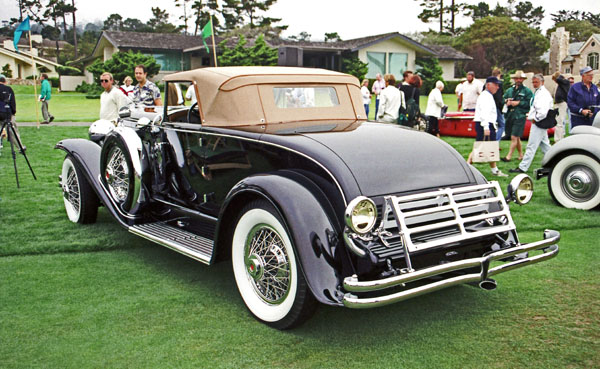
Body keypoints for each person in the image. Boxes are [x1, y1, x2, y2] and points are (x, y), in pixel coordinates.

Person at [510, 74, 553, 174]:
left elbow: (543, 111)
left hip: (539, 122)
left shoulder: (543, 94)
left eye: (536, 82)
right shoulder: (539, 92)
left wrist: (536, 119)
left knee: (531, 146)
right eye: (533, 82)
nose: (534, 84)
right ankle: (555, 162)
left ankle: (523, 167)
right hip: (539, 122)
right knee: (545, 146)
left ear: (542, 82)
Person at [469, 76, 507, 177]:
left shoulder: (487, 95)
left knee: (490, 148)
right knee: (481, 146)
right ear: (488, 85)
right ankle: (467, 165)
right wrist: (486, 127)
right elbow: (484, 113)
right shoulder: (486, 96)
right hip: (485, 124)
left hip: (486, 124)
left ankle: (494, 169)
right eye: (496, 85)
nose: (497, 87)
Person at [501, 70, 532, 162]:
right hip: (510, 115)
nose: (518, 80)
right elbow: (503, 99)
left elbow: (529, 103)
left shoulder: (527, 91)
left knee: (514, 136)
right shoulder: (510, 90)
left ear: (523, 79)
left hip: (520, 116)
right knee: (516, 136)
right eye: (517, 78)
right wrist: (507, 102)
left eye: (520, 78)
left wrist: (518, 103)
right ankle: (521, 155)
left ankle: (508, 156)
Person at [0, 74, 23, 152]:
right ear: (5, 81)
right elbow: (12, 102)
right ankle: (20, 147)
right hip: (7, 113)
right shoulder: (8, 89)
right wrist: (13, 112)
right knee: (13, 131)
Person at [551, 71, 570, 141]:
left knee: (559, 122)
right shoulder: (560, 84)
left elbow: (559, 79)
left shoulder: (565, 82)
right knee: (559, 122)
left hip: (562, 103)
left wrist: (558, 76)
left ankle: (558, 139)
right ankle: (560, 137)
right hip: (558, 103)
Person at [487, 68, 505, 141]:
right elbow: (499, 98)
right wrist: (501, 108)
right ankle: (496, 140)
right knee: (502, 125)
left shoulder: (487, 83)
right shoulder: (499, 85)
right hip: (496, 107)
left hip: (488, 107)